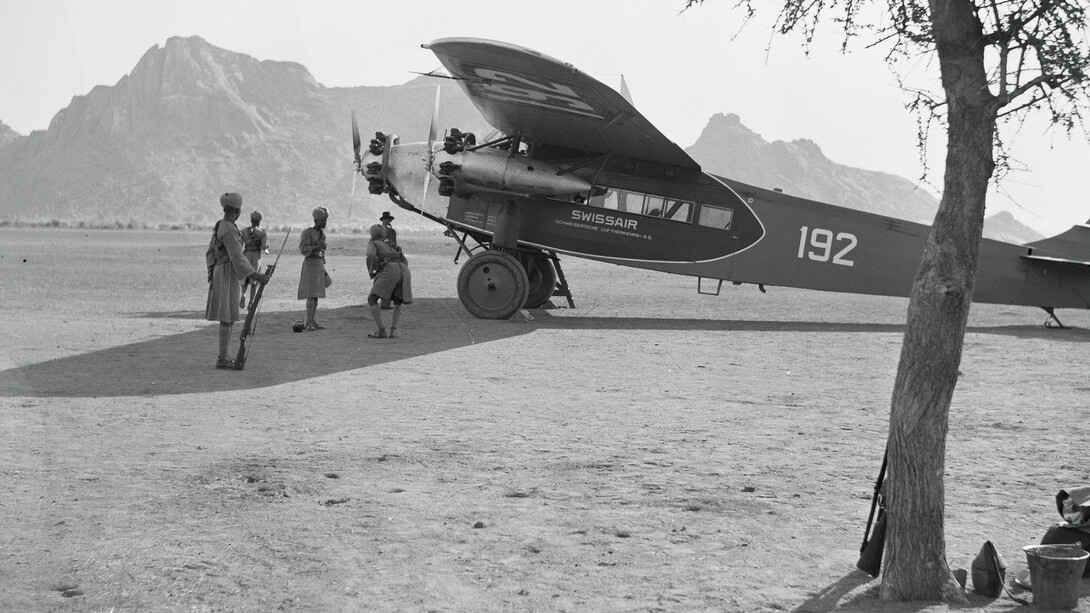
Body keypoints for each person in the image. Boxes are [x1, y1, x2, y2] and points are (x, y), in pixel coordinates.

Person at [205, 192, 270, 370]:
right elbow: (237, 257)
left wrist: (212, 272)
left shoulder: (221, 225)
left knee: (228, 316)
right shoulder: (229, 229)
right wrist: (257, 276)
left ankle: (223, 355)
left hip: (222, 272)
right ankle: (223, 357)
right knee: (227, 317)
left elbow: (210, 253)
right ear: (237, 211)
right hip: (227, 273)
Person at [365, 223, 412, 338]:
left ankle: (381, 330)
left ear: (372, 234)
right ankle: (393, 331)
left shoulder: (374, 244)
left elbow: (371, 257)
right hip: (404, 269)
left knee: (372, 299)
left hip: (390, 268)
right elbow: (404, 259)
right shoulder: (391, 244)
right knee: (397, 300)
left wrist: (372, 272)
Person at [298, 207, 330, 331]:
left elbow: (322, 252)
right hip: (310, 264)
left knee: (316, 294)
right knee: (311, 293)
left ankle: (312, 320)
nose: (324, 223)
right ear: (316, 220)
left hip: (319, 264)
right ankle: (309, 322)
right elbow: (303, 249)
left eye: (325, 221)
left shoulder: (323, 235)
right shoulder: (307, 233)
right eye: (322, 221)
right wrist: (316, 246)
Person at [240, 210, 268, 309]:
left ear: (251, 220)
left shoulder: (244, 231)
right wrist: (267, 246)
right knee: (254, 281)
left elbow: (240, 245)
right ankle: (251, 302)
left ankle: (243, 294)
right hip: (256, 258)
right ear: (260, 221)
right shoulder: (262, 232)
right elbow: (264, 247)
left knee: (245, 279)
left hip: (246, 256)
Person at [379, 211, 398, 309]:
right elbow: (393, 245)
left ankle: (375, 300)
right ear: (389, 220)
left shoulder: (377, 230)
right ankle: (385, 304)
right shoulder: (391, 231)